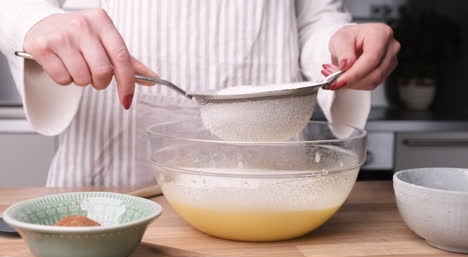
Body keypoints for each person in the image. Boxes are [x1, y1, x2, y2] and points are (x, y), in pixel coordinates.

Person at [0, 0, 399, 187]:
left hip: (270, 186)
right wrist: (35, 22)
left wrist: (338, 46)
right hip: (107, 182)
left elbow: (314, 18)